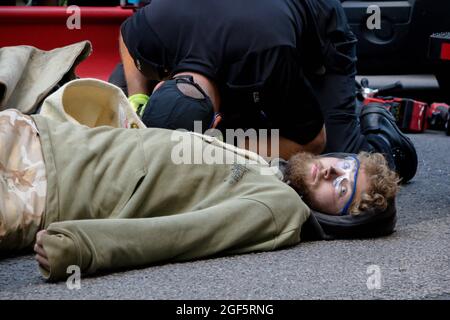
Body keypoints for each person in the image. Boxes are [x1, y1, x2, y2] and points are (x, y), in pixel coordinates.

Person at [0, 108, 398, 281]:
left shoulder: (281, 209)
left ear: (340, 219)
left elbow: (183, 235)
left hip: (38, 186)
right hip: (44, 137)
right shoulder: (274, 173)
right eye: (344, 165)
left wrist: (83, 248)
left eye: (341, 187)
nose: (331, 170)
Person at [112, 0, 417, 183]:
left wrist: (218, 146)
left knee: (342, 157)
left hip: (316, 27)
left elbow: (313, 140)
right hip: (247, 26)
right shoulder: (157, 27)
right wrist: (137, 99)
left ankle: (378, 128)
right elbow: (127, 37)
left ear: (215, 122)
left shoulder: (268, 57)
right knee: (120, 85)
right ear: (162, 83)